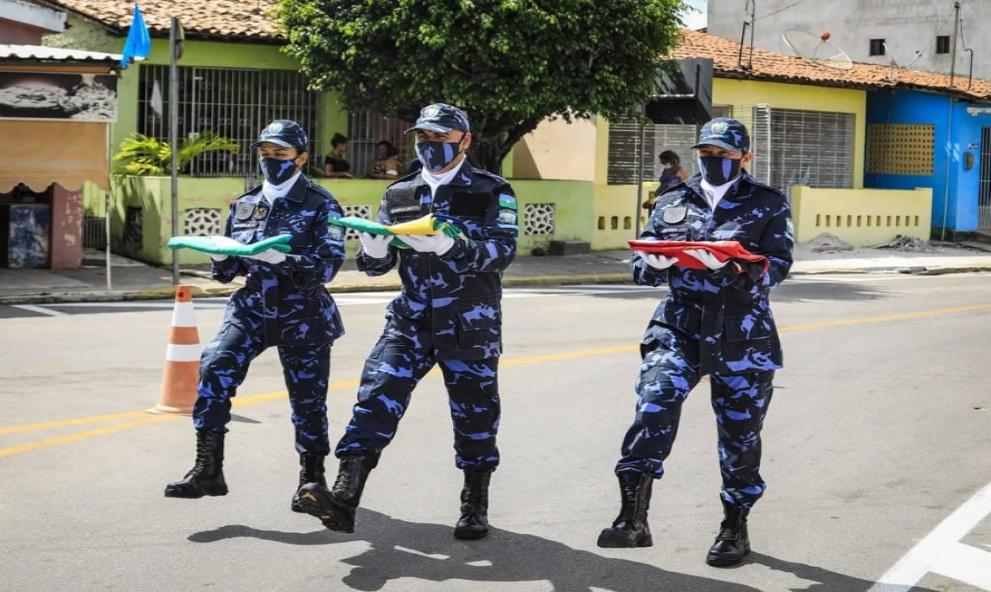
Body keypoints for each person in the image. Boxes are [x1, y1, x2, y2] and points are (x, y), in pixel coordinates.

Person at [297, 103, 518, 541]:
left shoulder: (492, 190)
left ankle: (474, 504)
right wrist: (374, 252)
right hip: (411, 319)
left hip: (469, 323)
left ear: (465, 141)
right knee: (376, 393)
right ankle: (344, 497)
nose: (430, 146)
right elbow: (373, 264)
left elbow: (503, 251)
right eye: (424, 138)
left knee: (474, 414)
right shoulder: (399, 193)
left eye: (441, 138)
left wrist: (450, 247)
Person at [597, 118, 794, 568]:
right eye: (707, 152)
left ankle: (734, 526)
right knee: (653, 403)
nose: (714, 159)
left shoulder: (767, 204)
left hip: (742, 333)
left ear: (745, 157)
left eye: (724, 154)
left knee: (740, 434)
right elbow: (640, 263)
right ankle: (632, 517)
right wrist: (659, 261)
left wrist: (739, 269)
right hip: (679, 325)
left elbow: (778, 266)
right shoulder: (671, 202)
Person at [164, 120, 347, 514]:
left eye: (280, 154)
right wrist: (219, 257)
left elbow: (329, 267)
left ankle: (311, 480)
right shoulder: (244, 204)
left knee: (308, 400)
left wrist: (287, 259)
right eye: (265, 153)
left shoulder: (322, 204)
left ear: (300, 158)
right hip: (252, 308)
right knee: (214, 365)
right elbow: (228, 271)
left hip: (303, 311)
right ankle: (208, 468)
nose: (271, 160)